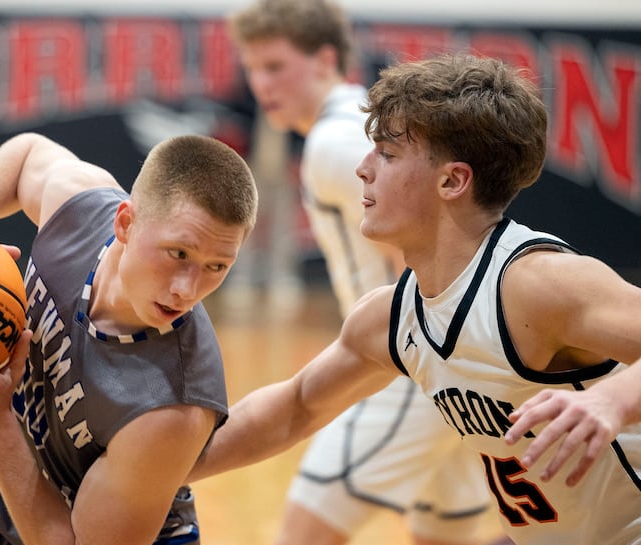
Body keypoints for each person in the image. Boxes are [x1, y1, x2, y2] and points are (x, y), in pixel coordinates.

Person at [188, 53, 641, 545]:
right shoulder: (392, 317)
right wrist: (158, 468)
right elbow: (293, 408)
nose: (362, 169)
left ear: (452, 181)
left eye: (386, 153)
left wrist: (611, 400)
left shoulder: (537, 284)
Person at [0, 132, 259, 545]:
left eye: (217, 266)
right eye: (179, 253)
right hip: (12, 499)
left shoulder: (172, 405)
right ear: (125, 222)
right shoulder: (79, 207)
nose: (188, 288)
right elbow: (26, 156)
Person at [227, 2, 507, 544]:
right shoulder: (358, 126)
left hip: (409, 368)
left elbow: (432, 254)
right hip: (453, 372)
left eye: (275, 66)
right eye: (253, 68)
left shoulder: (336, 143)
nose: (262, 83)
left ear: (324, 58)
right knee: (443, 538)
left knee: (302, 534)